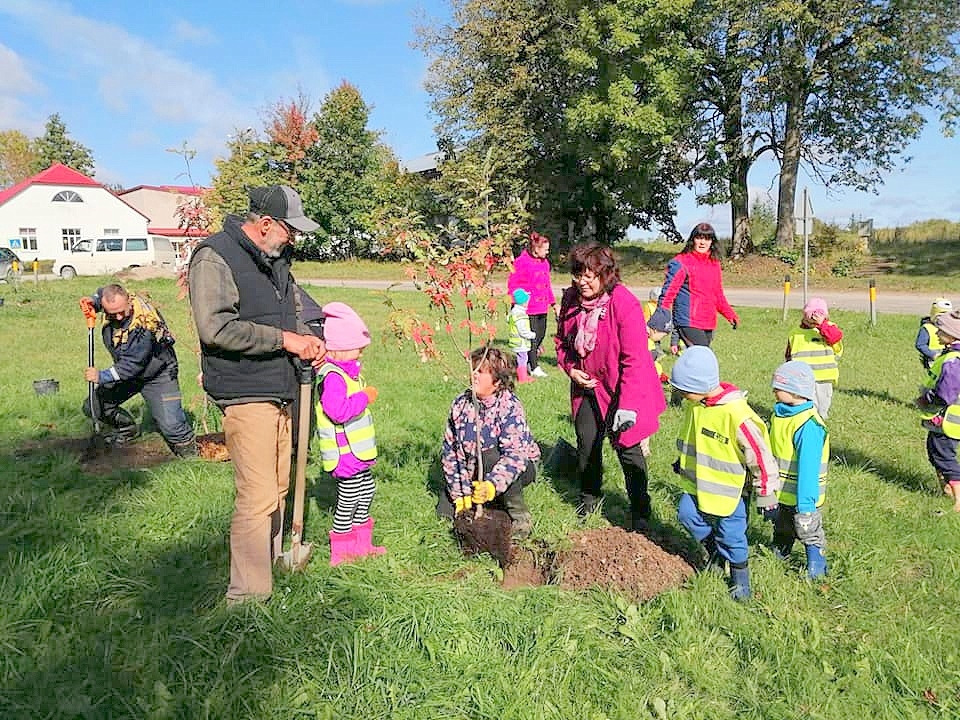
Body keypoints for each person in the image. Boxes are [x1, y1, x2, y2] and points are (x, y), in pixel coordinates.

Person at [189, 184, 325, 604]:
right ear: (265, 224)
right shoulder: (215, 257)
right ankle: (246, 598)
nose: (294, 238)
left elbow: (293, 313)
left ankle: (267, 566)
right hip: (245, 391)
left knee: (279, 485)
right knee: (257, 495)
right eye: (290, 230)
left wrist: (307, 338)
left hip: (280, 387)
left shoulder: (276, 259)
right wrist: (285, 340)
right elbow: (216, 328)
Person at [555, 242, 666, 530]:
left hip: (622, 388)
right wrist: (571, 369)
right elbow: (561, 343)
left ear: (606, 274)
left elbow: (635, 359)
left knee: (628, 450)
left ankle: (641, 510)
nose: (583, 281)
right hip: (586, 386)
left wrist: (627, 406)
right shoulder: (570, 300)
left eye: (590, 275)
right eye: (579, 274)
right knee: (587, 444)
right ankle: (589, 501)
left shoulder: (623, 303)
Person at [669, 346, 780, 600]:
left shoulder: (737, 416)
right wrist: (683, 463)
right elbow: (694, 442)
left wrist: (766, 493)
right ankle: (715, 551)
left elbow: (760, 457)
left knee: (732, 536)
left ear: (700, 386)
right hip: (700, 484)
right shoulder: (697, 406)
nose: (682, 395)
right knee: (686, 514)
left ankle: (740, 581)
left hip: (731, 492)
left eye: (685, 390)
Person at [79, 284, 196, 457]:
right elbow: (101, 292)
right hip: (129, 373)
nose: (118, 317)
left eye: (121, 311)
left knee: (173, 428)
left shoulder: (144, 325)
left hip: (158, 374)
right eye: (111, 313)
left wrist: (101, 376)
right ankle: (127, 429)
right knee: (93, 407)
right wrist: (94, 303)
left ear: (129, 301)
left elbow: (130, 367)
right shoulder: (113, 301)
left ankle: (192, 455)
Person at [438, 347, 540, 538]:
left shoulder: (509, 406)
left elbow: (515, 456)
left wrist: (492, 485)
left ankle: (520, 517)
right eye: (473, 370)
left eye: (481, 372)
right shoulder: (460, 405)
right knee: (445, 513)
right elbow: (451, 453)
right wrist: (461, 495)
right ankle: (484, 501)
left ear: (497, 381)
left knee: (490, 456)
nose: (474, 375)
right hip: (473, 469)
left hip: (517, 468)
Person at [314, 302, 386, 565]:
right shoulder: (333, 377)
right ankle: (342, 551)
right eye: (358, 349)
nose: (361, 355)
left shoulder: (347, 372)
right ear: (340, 348)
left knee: (366, 490)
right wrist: (364, 397)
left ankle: (362, 544)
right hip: (346, 455)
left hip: (359, 453)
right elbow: (338, 411)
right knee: (349, 498)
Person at [768, 361, 829, 579]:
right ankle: (781, 550)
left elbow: (809, 470)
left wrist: (806, 505)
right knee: (782, 525)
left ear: (796, 391)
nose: (773, 389)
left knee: (808, 529)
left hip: (805, 496)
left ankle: (816, 561)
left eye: (779, 387)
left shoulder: (808, 425)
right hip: (782, 491)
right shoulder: (779, 416)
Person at [656, 222, 739, 348]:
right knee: (703, 358)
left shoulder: (714, 264)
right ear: (692, 240)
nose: (702, 242)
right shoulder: (681, 262)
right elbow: (668, 293)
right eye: (699, 238)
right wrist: (659, 318)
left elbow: (717, 294)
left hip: (708, 322)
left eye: (707, 239)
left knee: (698, 361)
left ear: (712, 242)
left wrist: (730, 314)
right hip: (687, 321)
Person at [916, 310, 960, 512]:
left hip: (948, 419)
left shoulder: (953, 361)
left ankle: (958, 499)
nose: (936, 334)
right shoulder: (949, 356)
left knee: (944, 456)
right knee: (935, 453)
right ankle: (947, 490)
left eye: (940, 331)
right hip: (941, 419)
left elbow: (947, 393)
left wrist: (926, 399)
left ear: (952, 336)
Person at [507, 231, 559, 377]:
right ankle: (534, 366)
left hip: (542, 307)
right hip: (528, 307)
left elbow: (547, 285)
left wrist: (554, 304)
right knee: (532, 337)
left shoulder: (545, 263)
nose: (548, 252)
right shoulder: (521, 262)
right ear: (536, 249)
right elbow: (512, 284)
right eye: (546, 249)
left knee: (541, 335)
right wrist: (515, 302)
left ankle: (529, 361)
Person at [785, 297, 843, 419]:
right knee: (808, 403)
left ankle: (821, 418)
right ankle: (809, 419)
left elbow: (835, 337)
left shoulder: (829, 328)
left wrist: (822, 325)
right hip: (803, 377)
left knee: (823, 402)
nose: (812, 321)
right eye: (809, 317)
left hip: (824, 376)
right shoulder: (796, 333)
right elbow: (789, 354)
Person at [507, 288, 537, 384]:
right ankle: (522, 377)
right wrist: (532, 335)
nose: (528, 303)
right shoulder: (521, 315)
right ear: (523, 302)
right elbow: (523, 331)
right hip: (521, 342)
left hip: (515, 341)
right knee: (523, 359)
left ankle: (521, 375)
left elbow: (508, 320)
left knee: (521, 358)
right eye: (527, 301)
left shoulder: (513, 312)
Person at [916, 297, 953, 371]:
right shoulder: (927, 328)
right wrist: (933, 355)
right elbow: (920, 345)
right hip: (933, 361)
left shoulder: (950, 329)